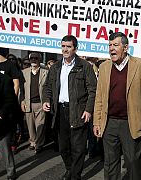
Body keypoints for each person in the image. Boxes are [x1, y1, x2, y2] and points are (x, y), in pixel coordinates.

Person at [93, 32, 141, 180]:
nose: (111, 49)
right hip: (109, 122)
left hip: (131, 122)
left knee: (132, 160)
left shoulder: (140, 65)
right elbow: (99, 97)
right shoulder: (103, 67)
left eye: (115, 45)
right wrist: (97, 121)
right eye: (109, 45)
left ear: (126, 47)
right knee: (110, 162)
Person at [42, 35, 97, 180]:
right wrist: (46, 100)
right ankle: (70, 169)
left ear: (75, 48)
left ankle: (75, 175)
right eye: (63, 46)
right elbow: (47, 86)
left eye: (68, 47)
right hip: (59, 112)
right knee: (63, 147)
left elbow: (93, 90)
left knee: (78, 149)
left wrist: (88, 109)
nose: (65, 49)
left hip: (78, 111)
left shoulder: (84, 66)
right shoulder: (55, 67)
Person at [21, 52, 48, 153]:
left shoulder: (45, 72)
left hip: (40, 103)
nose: (33, 60)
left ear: (39, 60)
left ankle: (39, 144)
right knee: (30, 125)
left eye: (36, 58)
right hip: (28, 103)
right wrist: (22, 101)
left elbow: (48, 88)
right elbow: (21, 89)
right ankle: (32, 141)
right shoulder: (24, 72)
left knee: (40, 125)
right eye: (31, 58)